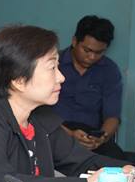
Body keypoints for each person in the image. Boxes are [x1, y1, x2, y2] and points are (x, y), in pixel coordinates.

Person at [0, 25, 130, 182]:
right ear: (19, 80)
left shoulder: (40, 117)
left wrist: (130, 170)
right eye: (52, 68)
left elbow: (81, 161)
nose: (61, 77)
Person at [54, 15, 126, 160]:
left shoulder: (109, 70)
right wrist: (69, 134)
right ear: (75, 41)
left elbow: (112, 117)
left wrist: (101, 138)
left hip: (91, 135)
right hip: (55, 131)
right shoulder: (53, 63)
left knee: (121, 164)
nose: (92, 57)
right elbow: (38, 114)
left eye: (99, 52)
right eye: (87, 50)